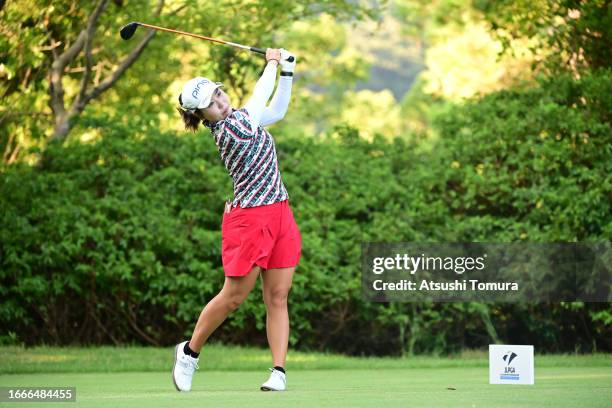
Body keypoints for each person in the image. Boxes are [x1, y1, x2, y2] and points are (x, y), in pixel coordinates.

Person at [172, 48, 301, 392]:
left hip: (280, 213)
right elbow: (261, 98)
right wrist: (272, 62)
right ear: (203, 116)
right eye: (212, 104)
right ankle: (189, 352)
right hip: (250, 220)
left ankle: (278, 371)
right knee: (233, 297)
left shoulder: (244, 118)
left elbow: (277, 109)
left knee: (278, 296)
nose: (221, 102)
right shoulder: (232, 130)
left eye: (219, 93)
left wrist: (286, 73)